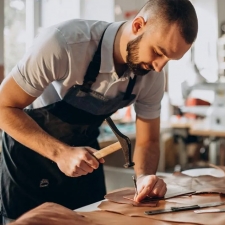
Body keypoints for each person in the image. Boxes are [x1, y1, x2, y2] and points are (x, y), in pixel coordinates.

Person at [0, 0, 198, 222]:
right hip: (29, 162)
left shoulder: (152, 75)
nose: (159, 67)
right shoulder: (64, 44)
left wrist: (143, 177)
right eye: (158, 52)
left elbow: (148, 141)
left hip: (84, 162)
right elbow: (3, 107)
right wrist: (61, 153)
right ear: (138, 25)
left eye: (169, 59)